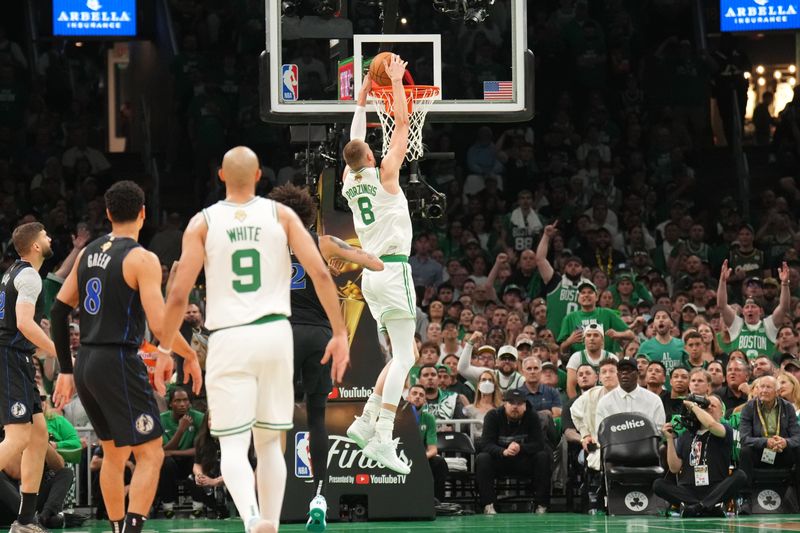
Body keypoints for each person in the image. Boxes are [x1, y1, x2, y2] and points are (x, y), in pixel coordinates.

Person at [160, 147, 350, 533]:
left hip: (230, 336)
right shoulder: (282, 215)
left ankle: (249, 516)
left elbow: (179, 294)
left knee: (232, 444)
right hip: (275, 334)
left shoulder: (203, 222)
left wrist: (165, 346)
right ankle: (271, 522)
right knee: (269, 443)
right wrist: (341, 332)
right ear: (260, 175)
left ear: (220, 175)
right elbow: (321, 274)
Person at [50, 181, 202, 533]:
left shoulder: (88, 252)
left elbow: (58, 311)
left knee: (114, 453)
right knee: (151, 453)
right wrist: (188, 353)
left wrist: (67, 369)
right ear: (143, 213)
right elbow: (160, 321)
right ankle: (131, 530)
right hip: (117, 360)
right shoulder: (141, 258)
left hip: (86, 359)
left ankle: (119, 527)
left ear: (107, 213)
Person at [268, 183, 383, 530]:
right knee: (317, 417)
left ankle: (268, 498)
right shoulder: (324, 243)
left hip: (283, 334)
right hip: (320, 335)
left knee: (273, 420)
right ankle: (319, 495)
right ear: (309, 214)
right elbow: (373, 262)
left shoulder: (267, 246)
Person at [339, 56, 417, 475]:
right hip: (392, 269)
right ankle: (383, 436)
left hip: (371, 277)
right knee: (406, 358)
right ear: (371, 154)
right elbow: (403, 126)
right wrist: (395, 82)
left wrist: (363, 99)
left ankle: (365, 419)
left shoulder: (351, 181)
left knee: (404, 353)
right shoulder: (387, 174)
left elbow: (354, 139)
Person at [0, 222, 57, 533]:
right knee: (19, 437)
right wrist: (57, 350)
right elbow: (23, 323)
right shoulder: (29, 275)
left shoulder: (13, 272)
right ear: (36, 245)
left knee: (38, 436)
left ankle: (25, 519)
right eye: (45, 235)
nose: (49, 239)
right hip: (9, 356)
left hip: (15, 357)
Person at [654, 395, 747, 517]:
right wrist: (670, 439)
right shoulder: (686, 434)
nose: (709, 408)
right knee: (658, 484)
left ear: (722, 413)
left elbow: (711, 425)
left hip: (715, 488)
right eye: (706, 405)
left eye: (713, 405)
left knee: (740, 475)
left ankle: (697, 507)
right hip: (688, 490)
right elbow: (674, 468)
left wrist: (693, 407)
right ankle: (708, 507)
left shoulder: (725, 429)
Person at [476, 389, 552, 515]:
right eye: (511, 403)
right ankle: (488, 504)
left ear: (525, 406)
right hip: (500, 461)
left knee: (543, 456)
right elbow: (486, 444)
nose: (515, 407)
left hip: (523, 461)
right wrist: (503, 451)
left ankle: (541, 504)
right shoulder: (493, 416)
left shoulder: (532, 416)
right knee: (483, 458)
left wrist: (521, 448)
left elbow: (539, 444)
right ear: (504, 404)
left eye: (519, 403)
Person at [738, 375, 800, 512]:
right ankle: (745, 500)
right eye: (761, 387)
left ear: (777, 392)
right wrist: (766, 442)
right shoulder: (749, 407)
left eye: (768, 387)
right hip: (760, 453)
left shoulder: (788, 408)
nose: (764, 390)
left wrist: (785, 442)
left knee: (798, 450)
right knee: (745, 451)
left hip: (782, 452)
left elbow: (797, 437)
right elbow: (744, 438)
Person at [717, 260, 790, 360]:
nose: (750, 309)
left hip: (764, 371)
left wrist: (785, 284)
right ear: (743, 312)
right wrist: (722, 281)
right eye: (747, 307)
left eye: (753, 307)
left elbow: (783, 307)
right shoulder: (737, 325)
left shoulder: (768, 325)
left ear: (760, 311)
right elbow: (722, 306)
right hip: (741, 371)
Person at [158, 387, 205, 518]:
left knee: (197, 460)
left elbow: (199, 450)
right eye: (177, 401)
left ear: (190, 403)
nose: (182, 404)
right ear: (170, 404)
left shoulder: (199, 418)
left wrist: (173, 453)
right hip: (170, 465)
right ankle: (168, 506)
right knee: (165, 462)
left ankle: (198, 506)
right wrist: (180, 430)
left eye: (185, 400)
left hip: (189, 461)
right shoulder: (161, 420)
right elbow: (162, 451)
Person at [536, 222, 589, 335]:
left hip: (580, 339)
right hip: (554, 336)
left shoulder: (589, 287)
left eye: (576, 266)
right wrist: (546, 236)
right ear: (564, 268)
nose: (573, 268)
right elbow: (540, 259)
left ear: (582, 269)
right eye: (570, 266)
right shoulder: (556, 281)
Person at [558, 281, 634, 354]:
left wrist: (617, 334)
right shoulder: (569, 318)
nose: (586, 295)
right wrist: (569, 341)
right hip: (580, 363)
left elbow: (631, 335)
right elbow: (561, 350)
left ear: (597, 297)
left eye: (590, 292)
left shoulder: (607, 313)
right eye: (583, 293)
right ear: (578, 298)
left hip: (605, 362)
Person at [595, 359, 666, 434]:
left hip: (646, 445)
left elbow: (659, 431)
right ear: (617, 374)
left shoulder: (654, 400)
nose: (624, 373)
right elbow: (601, 433)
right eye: (621, 370)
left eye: (629, 370)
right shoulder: (605, 402)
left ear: (637, 373)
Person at [405, 384, 448, 503]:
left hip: (421, 457)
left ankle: (438, 502)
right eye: (414, 393)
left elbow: (433, 449)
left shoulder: (429, 418)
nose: (417, 397)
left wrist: (421, 458)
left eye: (421, 395)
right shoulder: (399, 415)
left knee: (439, 463)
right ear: (408, 397)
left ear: (424, 400)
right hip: (400, 457)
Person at [458, 332, 525, 394]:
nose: (507, 361)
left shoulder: (522, 380)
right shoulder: (489, 374)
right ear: (497, 361)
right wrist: (470, 343)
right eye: (503, 358)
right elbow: (463, 369)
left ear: (516, 363)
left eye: (511, 359)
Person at [565, 323, 618, 398]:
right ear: (584, 340)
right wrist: (577, 405)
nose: (592, 338)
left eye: (596, 335)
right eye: (588, 335)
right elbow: (570, 386)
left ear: (602, 340)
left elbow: (617, 384)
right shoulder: (576, 357)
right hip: (583, 402)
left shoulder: (612, 357)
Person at [462, 371, 502, 441]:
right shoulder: (469, 409)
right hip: (477, 445)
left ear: (494, 385)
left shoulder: (501, 408)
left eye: (490, 380)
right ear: (478, 385)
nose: (487, 382)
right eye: (483, 380)